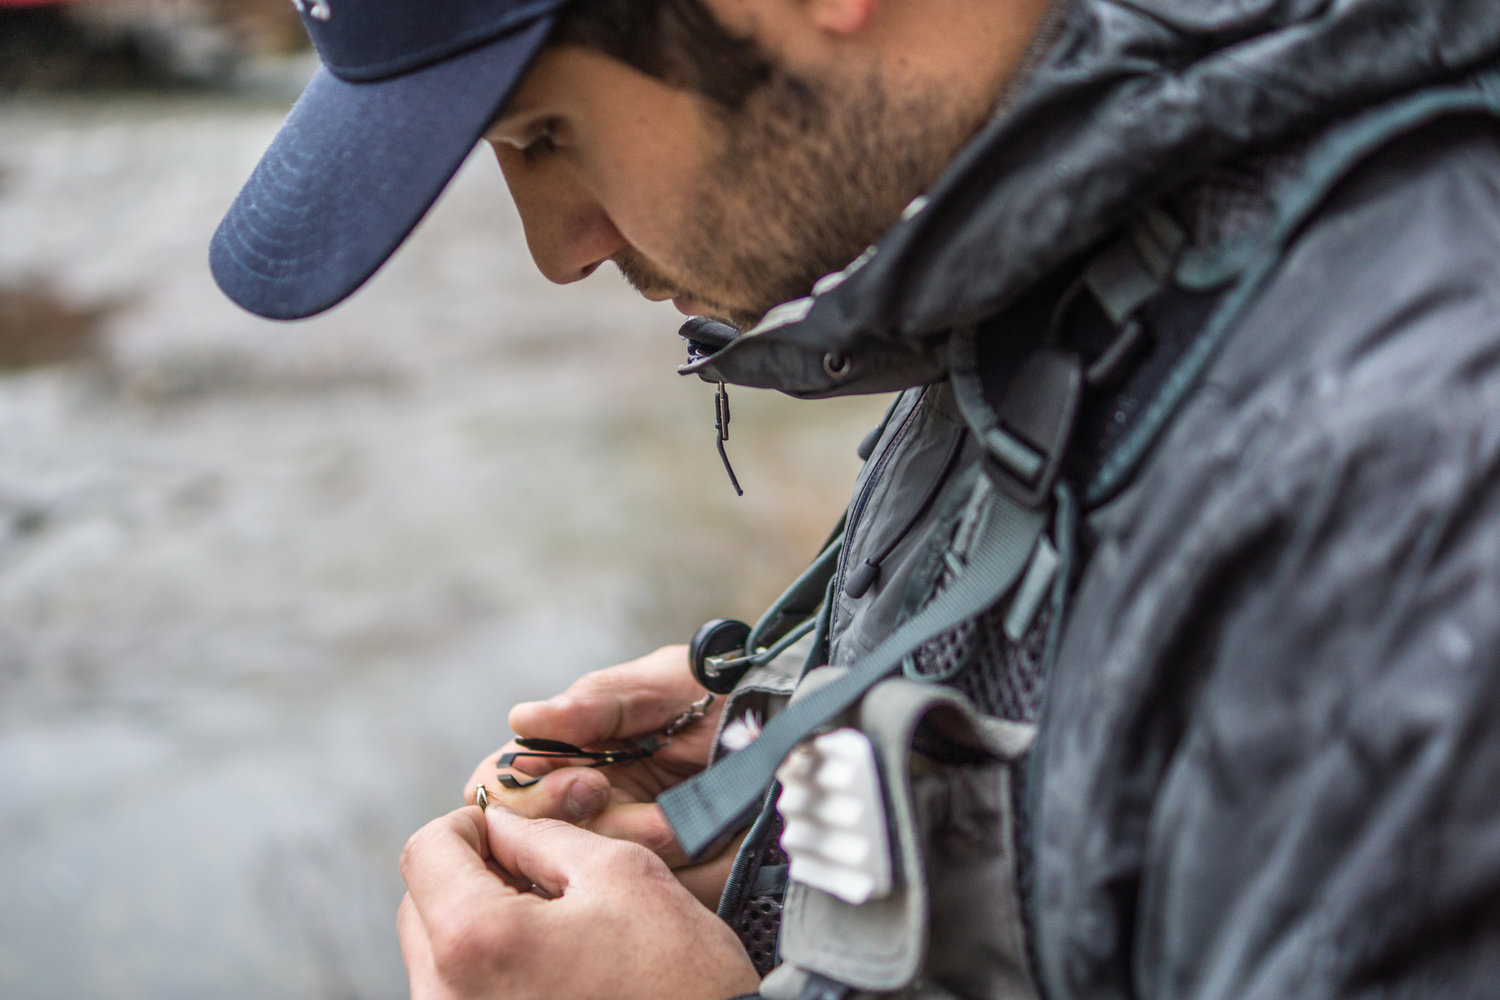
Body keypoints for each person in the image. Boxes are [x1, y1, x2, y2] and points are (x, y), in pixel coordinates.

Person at [211, 0, 1500, 997]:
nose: (559, 249)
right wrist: (797, 782)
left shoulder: (1414, 474)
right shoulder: (1065, 234)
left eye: (546, 135)